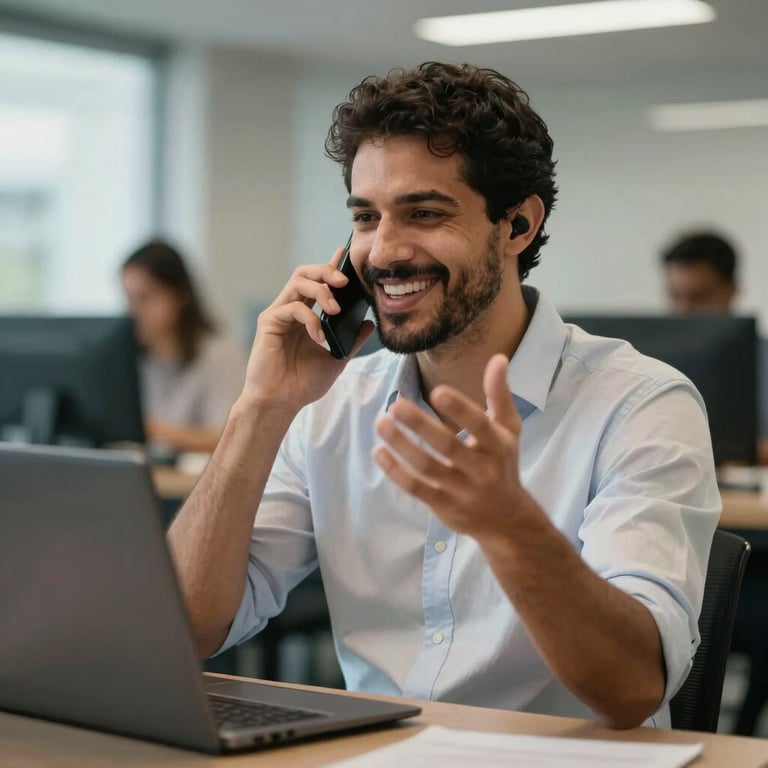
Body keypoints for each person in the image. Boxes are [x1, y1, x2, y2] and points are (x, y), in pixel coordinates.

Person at [168, 63, 719, 730]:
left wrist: (508, 524)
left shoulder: (641, 405)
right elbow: (185, 632)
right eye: (366, 217)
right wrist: (260, 408)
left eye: (424, 213)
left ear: (517, 226)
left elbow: (632, 690)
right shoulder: (330, 407)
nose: (385, 252)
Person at [121, 239, 245, 455]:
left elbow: (231, 438)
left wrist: (151, 430)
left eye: (146, 298)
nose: (133, 311)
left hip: (198, 483)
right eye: (129, 299)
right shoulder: (130, 356)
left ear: (181, 296)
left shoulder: (219, 355)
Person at [661, 230, 768, 464]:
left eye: (698, 297)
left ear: (732, 290)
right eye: (675, 296)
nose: (683, 310)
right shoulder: (652, 366)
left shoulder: (761, 361)